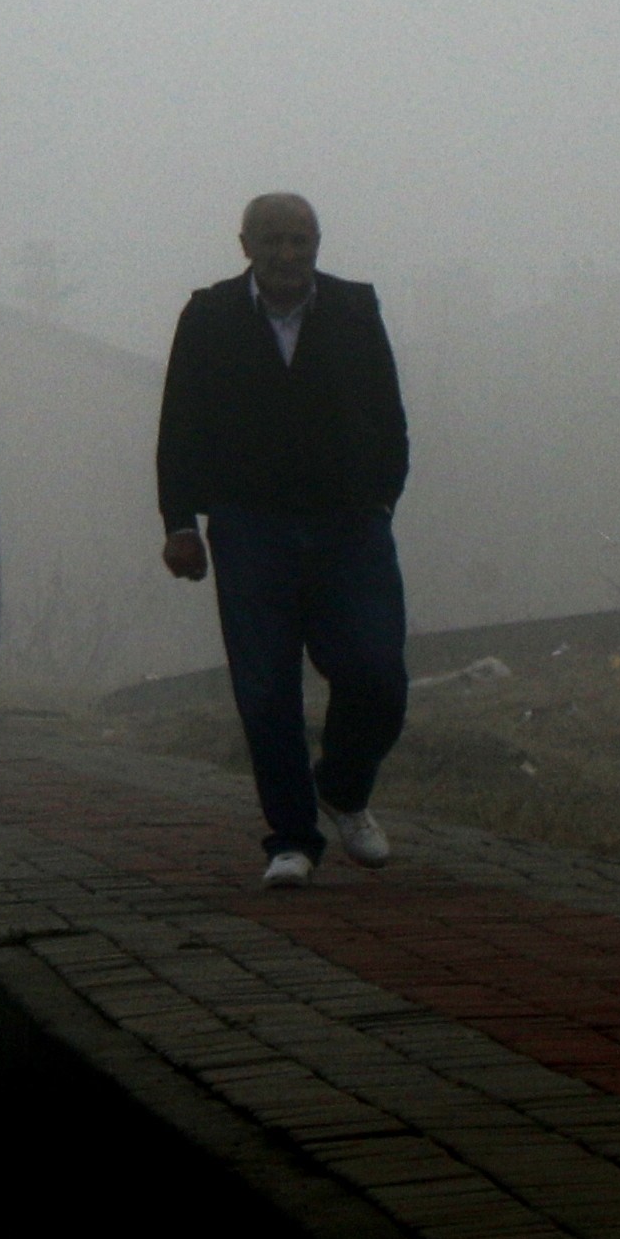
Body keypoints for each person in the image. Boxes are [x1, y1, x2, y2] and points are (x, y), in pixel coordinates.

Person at [156, 192, 410, 888]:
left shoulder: (355, 309)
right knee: (267, 689)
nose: (287, 254)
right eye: (273, 239)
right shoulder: (209, 316)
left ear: (319, 242)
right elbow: (179, 421)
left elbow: (389, 415)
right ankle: (291, 839)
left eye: (300, 239)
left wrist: (382, 497)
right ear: (245, 244)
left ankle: (345, 787)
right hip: (250, 525)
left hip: (349, 525)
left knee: (377, 672)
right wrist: (180, 521)